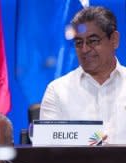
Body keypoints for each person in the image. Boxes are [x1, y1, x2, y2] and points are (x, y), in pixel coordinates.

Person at [40, 6, 126, 143]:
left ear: (114, 40)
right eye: (79, 43)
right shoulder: (57, 91)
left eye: (93, 41)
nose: (84, 49)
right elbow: (49, 152)